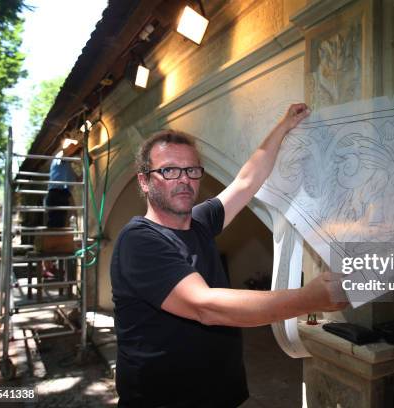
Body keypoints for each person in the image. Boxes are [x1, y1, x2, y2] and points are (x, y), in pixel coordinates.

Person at [110, 103, 347, 407]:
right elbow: (206, 306)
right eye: (168, 170)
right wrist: (311, 297)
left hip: (219, 394)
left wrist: (284, 125)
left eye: (191, 170)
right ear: (144, 180)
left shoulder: (200, 222)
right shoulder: (139, 241)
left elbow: (246, 181)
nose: (184, 179)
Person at [42, 138, 81, 278]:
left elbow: (78, 178)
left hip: (64, 195)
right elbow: (68, 148)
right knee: (54, 227)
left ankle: (53, 265)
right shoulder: (60, 156)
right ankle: (47, 265)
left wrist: (88, 162)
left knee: (61, 226)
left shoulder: (67, 165)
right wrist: (81, 139)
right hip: (56, 194)